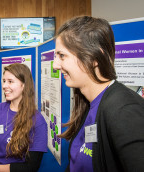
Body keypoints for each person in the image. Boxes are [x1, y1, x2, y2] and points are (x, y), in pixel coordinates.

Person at [53, 16, 144, 172]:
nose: (55, 65)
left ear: (94, 57)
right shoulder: (88, 103)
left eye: (62, 56)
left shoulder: (123, 110)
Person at [0, 63, 47, 172]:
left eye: (10, 81)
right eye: (4, 81)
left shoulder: (37, 120)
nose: (4, 86)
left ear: (24, 85)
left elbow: (30, 167)